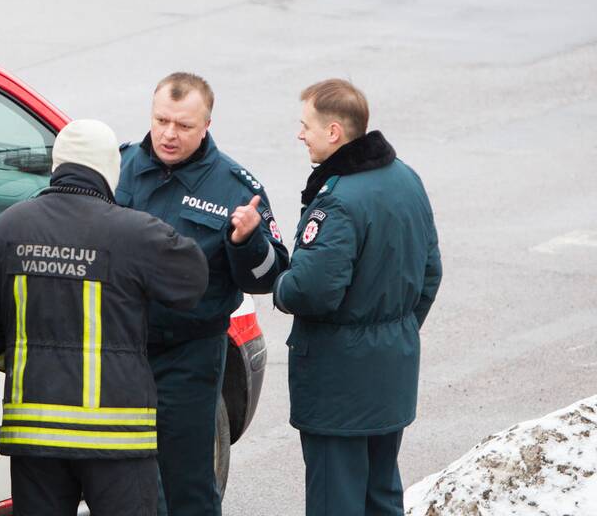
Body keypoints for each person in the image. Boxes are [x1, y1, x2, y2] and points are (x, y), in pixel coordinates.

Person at [0, 119, 209, 516]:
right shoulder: (134, 232)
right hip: (116, 434)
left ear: (56, 165)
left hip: (35, 432)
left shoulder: (8, 227)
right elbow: (192, 281)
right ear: (108, 171)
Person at [115, 72, 290, 516]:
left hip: (188, 356)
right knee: (119, 481)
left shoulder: (236, 187)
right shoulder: (120, 166)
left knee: (186, 483)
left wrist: (247, 241)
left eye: (184, 125)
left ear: (206, 124)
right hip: (120, 348)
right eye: (161, 120)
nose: (169, 134)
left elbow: (270, 277)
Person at [273, 79, 442, 516]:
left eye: (305, 124)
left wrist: (280, 286)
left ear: (334, 132)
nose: (299, 134)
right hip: (390, 374)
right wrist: (393, 330)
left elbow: (311, 290)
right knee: (381, 495)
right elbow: (430, 273)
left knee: (337, 500)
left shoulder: (340, 200)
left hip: (338, 386)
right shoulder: (406, 178)